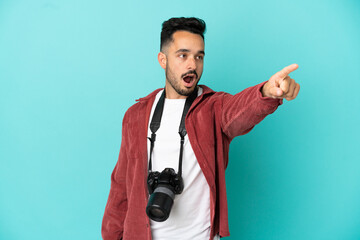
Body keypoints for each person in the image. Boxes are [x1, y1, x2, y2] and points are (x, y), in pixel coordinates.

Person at [101, 17, 300, 240]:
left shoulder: (213, 108)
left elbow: (239, 111)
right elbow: (120, 187)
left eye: (199, 56)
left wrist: (266, 92)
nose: (192, 65)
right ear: (163, 60)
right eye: (183, 55)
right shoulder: (135, 116)